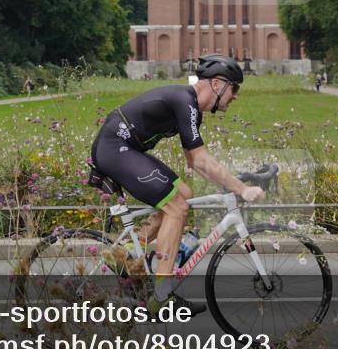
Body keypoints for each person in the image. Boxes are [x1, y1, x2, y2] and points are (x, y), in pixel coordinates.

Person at [88, 55, 265, 316]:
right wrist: (242, 189)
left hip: (122, 148)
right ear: (217, 84)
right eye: (234, 87)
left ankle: (124, 252)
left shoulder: (190, 107)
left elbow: (194, 162)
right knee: (177, 207)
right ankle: (162, 296)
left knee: (184, 193)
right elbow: (201, 161)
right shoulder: (185, 100)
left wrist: (231, 182)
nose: (235, 96)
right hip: (115, 148)